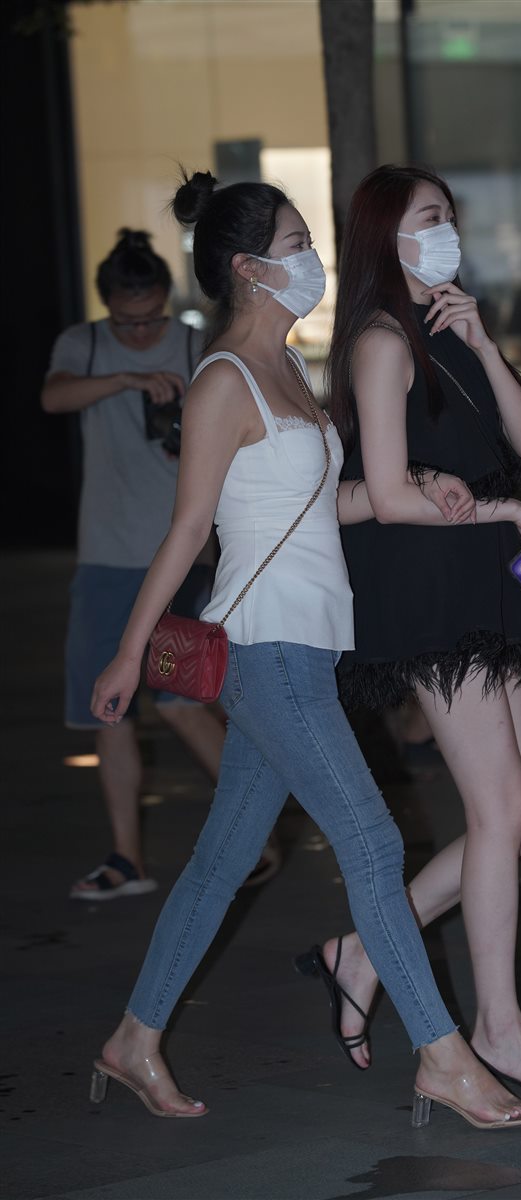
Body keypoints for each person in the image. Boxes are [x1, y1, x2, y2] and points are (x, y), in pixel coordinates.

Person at [87, 170, 521, 1131]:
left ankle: (133, 1039)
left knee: (222, 859)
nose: (314, 259)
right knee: (372, 843)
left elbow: (320, 506)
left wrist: (430, 483)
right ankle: (445, 1059)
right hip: (266, 650)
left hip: (308, 643)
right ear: (249, 268)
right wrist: (130, 654)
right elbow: (189, 530)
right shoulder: (224, 380)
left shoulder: (290, 370)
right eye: (297, 243)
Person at [324, 164, 521, 1096]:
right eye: (431, 217)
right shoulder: (378, 342)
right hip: (433, 588)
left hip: (479, 585)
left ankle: (364, 950)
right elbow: (387, 493)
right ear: (388, 236)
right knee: (496, 813)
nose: (449, 230)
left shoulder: (443, 330)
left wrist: (482, 340)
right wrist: (504, 513)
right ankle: (498, 1030)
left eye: (449, 215)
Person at [41, 230, 278, 899]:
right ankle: (126, 859)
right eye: (128, 322)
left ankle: (259, 834)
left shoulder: (198, 346)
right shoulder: (84, 346)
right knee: (106, 710)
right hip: (106, 556)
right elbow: (53, 397)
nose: (141, 333)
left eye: (150, 319)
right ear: (108, 309)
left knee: (181, 698)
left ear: (166, 302)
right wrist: (125, 379)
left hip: (185, 557)